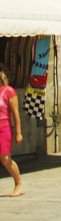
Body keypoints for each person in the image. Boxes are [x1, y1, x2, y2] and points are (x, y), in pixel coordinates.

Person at [0, 63, 23, 196]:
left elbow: (15, 114)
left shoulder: (9, 91)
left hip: (4, 129)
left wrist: (18, 133)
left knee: (5, 158)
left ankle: (18, 183)